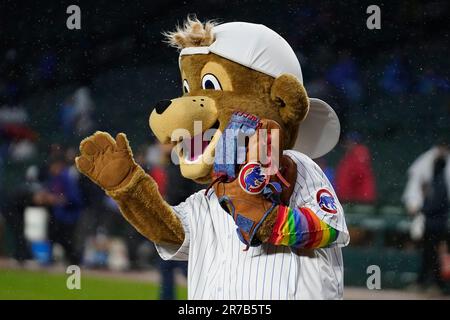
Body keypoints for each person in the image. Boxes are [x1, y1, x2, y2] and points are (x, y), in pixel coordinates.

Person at [403, 137, 450, 294]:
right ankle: (425, 282)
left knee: (439, 252)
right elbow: (415, 186)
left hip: (444, 215)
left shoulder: (446, 165)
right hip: (430, 216)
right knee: (428, 251)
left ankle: (437, 285)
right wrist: (414, 204)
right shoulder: (427, 162)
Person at [34, 153, 83, 265]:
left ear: (59, 165)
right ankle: (53, 260)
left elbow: (74, 199)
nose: (51, 169)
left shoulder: (66, 177)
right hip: (58, 215)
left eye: (53, 166)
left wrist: (55, 199)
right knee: (55, 238)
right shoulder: (55, 177)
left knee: (65, 241)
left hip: (69, 216)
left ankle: (75, 261)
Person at [335, 132, 377, 204]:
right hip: (352, 199)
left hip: (359, 199)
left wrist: (346, 195)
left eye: (349, 142)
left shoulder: (359, 153)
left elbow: (357, 175)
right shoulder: (350, 156)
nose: (347, 144)